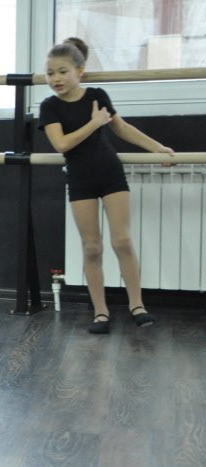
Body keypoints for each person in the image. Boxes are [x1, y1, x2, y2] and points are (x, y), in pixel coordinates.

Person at [39, 37, 174, 334]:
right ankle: (101, 312)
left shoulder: (97, 95)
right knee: (92, 247)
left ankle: (137, 305)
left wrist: (158, 148)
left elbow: (121, 128)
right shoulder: (49, 106)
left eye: (63, 71)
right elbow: (62, 144)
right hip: (80, 180)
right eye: (50, 73)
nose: (56, 78)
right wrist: (94, 123)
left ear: (80, 71)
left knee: (122, 241)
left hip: (110, 174)